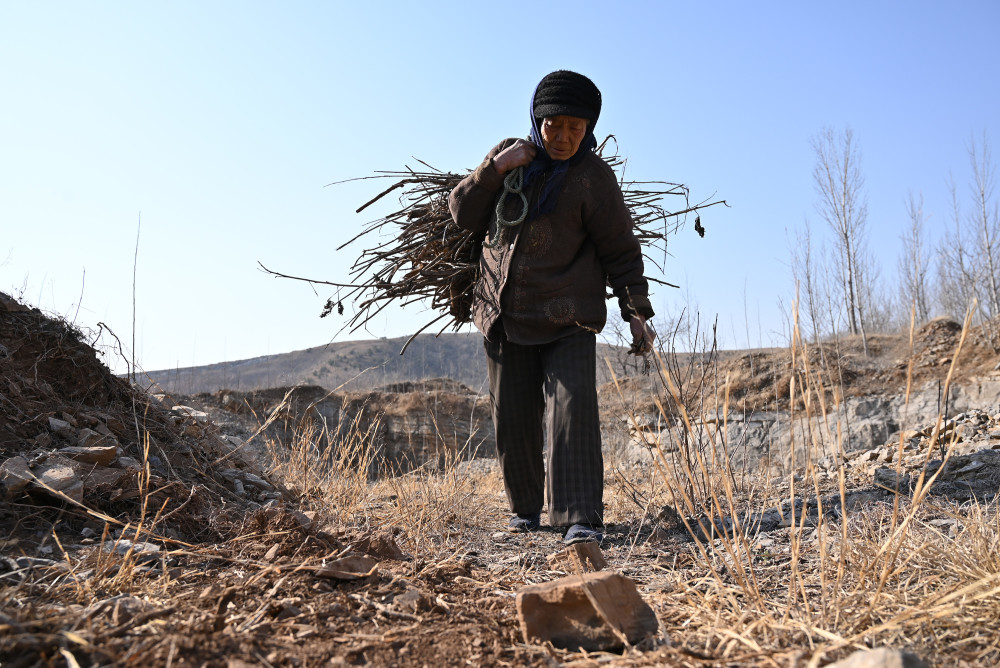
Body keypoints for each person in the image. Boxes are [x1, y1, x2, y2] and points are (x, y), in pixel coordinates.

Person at [448, 70, 654, 544]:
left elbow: (621, 250)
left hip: (569, 317)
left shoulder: (594, 179)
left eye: (575, 128)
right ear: (536, 120)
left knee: (572, 410)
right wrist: (495, 169)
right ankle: (525, 512)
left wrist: (636, 311)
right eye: (553, 125)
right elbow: (461, 212)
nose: (563, 137)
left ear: (589, 129)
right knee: (514, 417)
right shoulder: (508, 158)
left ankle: (579, 518)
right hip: (503, 314)